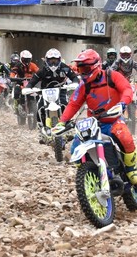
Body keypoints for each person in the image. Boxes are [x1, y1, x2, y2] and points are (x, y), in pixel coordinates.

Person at [53, 49, 137, 184]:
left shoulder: (112, 76)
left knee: (125, 137)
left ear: (96, 66)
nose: (83, 73)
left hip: (113, 119)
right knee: (75, 148)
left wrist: (122, 104)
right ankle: (91, 174)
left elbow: (126, 89)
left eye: (86, 69)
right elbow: (73, 104)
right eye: (80, 70)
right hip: (94, 123)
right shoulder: (83, 85)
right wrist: (62, 122)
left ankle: (132, 169)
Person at [26, 48, 79, 127]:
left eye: (55, 61)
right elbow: (33, 80)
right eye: (51, 61)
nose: (53, 63)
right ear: (46, 60)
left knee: (65, 104)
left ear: (60, 60)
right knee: (39, 106)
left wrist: (75, 83)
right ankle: (40, 124)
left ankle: (67, 123)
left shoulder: (65, 68)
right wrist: (28, 88)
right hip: (45, 91)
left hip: (61, 90)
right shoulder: (42, 70)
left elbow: (74, 77)